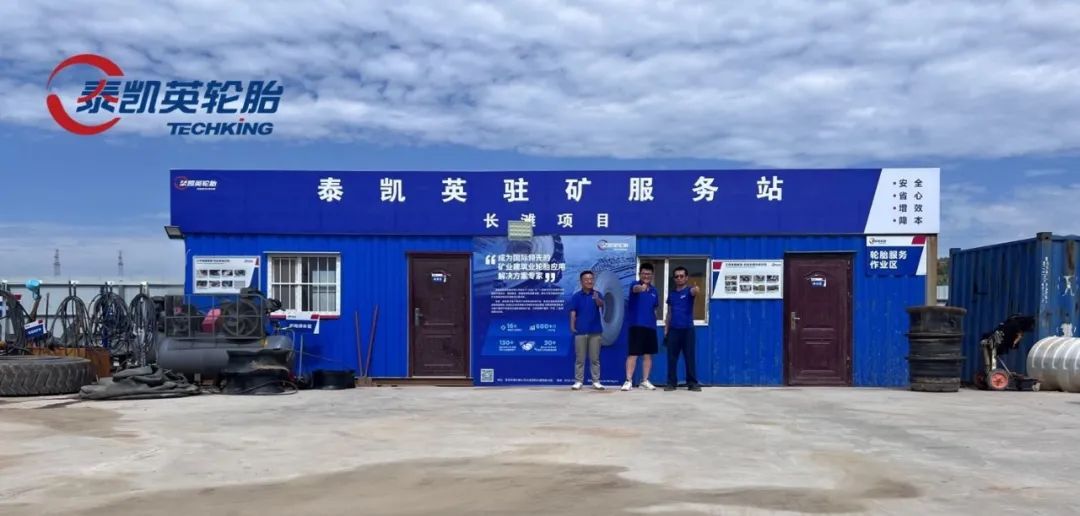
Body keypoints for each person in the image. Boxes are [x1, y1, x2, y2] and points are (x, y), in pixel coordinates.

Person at [623, 262, 659, 391]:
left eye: (648, 274)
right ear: (640, 274)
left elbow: (655, 308)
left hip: (650, 327)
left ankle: (645, 381)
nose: (646, 276)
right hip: (636, 325)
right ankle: (628, 381)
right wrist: (642, 288)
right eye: (644, 273)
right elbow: (636, 289)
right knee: (633, 354)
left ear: (652, 275)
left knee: (648, 355)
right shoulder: (635, 285)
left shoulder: (654, 291)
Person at [664, 266, 701, 391]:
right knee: (672, 358)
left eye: (681, 276)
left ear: (686, 278)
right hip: (673, 330)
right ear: (674, 279)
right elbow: (669, 313)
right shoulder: (672, 295)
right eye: (676, 276)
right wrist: (666, 329)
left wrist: (696, 289)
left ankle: (692, 383)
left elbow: (695, 291)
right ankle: (671, 383)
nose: (679, 278)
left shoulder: (689, 291)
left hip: (688, 330)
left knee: (689, 357)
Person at [569, 270, 605, 390]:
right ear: (581, 281)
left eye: (591, 279)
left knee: (595, 359)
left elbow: (601, 305)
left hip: (595, 332)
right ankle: (578, 381)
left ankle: (596, 381)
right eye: (586, 279)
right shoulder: (576, 296)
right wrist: (572, 326)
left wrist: (597, 299)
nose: (589, 281)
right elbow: (573, 312)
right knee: (580, 359)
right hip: (580, 331)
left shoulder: (597, 294)